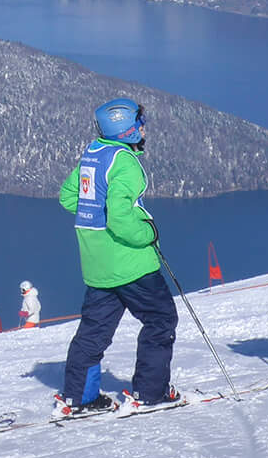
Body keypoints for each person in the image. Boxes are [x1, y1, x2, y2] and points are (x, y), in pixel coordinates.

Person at [54, 99, 180, 416]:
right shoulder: (125, 163)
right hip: (132, 263)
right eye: (141, 122)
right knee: (160, 320)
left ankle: (79, 397)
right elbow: (121, 218)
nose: (144, 127)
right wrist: (147, 233)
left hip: (97, 264)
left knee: (94, 331)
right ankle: (150, 393)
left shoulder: (93, 153)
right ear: (127, 128)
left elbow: (69, 197)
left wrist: (97, 212)